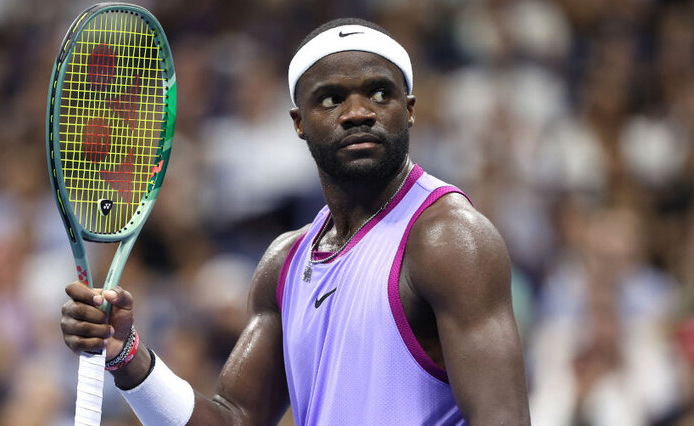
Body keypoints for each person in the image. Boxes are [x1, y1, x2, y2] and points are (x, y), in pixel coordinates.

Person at [60, 17, 530, 425]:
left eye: (380, 93)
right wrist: (126, 354)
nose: (358, 113)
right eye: (330, 99)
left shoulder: (451, 239)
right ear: (298, 122)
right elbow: (235, 418)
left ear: (408, 110)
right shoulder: (284, 263)